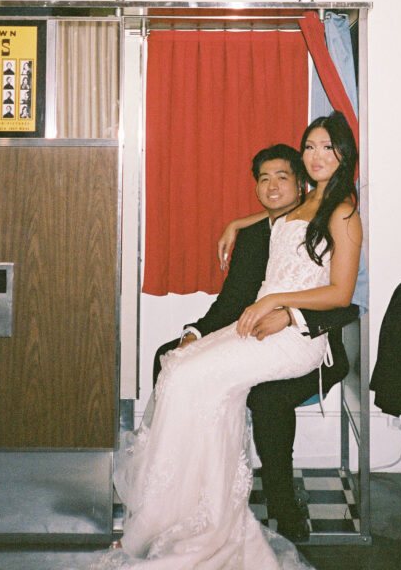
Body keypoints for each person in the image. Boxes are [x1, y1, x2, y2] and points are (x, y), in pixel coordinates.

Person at [101, 111, 362, 570]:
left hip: (297, 338)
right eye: (310, 147)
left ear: (344, 155)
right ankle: (189, 511)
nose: (317, 156)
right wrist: (238, 224)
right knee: (179, 368)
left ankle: (195, 516)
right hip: (257, 327)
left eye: (328, 147)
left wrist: (281, 305)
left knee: (188, 379)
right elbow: (276, 216)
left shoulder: (343, 211)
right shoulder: (300, 205)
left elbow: (341, 293)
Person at [152, 142, 360, 543]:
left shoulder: (336, 218)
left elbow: (348, 299)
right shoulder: (252, 234)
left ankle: (283, 506)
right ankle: (187, 491)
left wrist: (291, 314)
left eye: (282, 177)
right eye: (263, 179)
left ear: (301, 184)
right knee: (172, 358)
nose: (272, 186)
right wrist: (194, 333)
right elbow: (232, 302)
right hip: (257, 336)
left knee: (267, 398)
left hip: (314, 345)